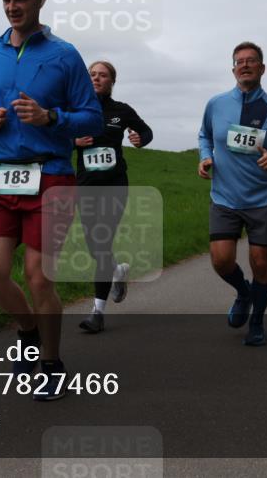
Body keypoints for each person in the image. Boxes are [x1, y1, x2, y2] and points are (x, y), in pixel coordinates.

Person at [0, 0, 103, 400]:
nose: (12, 7)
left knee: (39, 277)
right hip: (0, 176)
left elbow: (93, 118)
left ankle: (51, 362)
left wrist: (51, 117)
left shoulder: (64, 55)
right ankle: (28, 329)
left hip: (52, 177)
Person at [198, 42, 267, 347]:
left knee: (260, 263)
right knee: (221, 261)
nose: (245, 65)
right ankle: (244, 293)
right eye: (239, 61)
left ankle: (256, 322)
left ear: (262, 68)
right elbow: (205, 135)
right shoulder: (216, 104)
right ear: (233, 69)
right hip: (224, 196)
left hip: (261, 198)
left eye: (251, 60)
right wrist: (205, 157)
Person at [74, 60, 153, 333]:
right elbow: (54, 136)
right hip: (86, 186)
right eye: (92, 74)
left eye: (103, 75)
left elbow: (146, 131)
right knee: (95, 246)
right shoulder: (76, 109)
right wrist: (73, 142)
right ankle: (118, 270)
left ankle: (97, 312)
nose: (96, 78)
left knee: (102, 240)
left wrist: (140, 139)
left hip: (115, 185)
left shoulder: (121, 110)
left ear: (112, 81)